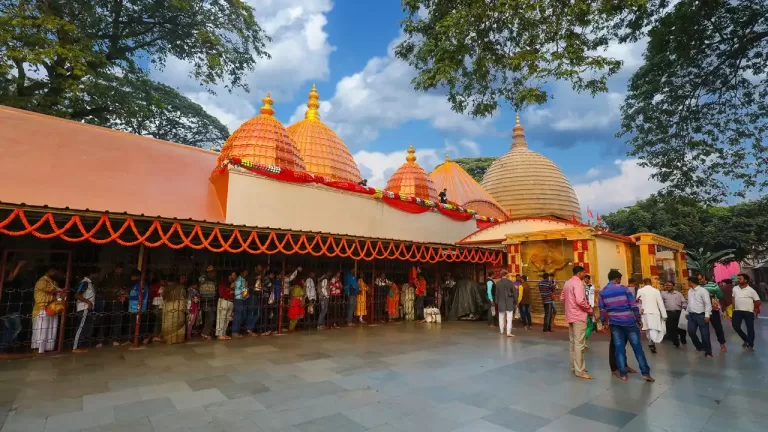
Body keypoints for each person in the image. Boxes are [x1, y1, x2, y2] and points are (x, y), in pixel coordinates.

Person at [599, 270, 653, 382]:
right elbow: (633, 305)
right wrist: (638, 318)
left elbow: (602, 310)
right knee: (637, 347)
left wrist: (604, 323)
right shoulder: (624, 289)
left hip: (614, 323)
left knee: (619, 348)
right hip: (628, 321)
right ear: (617, 279)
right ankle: (645, 373)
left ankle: (623, 374)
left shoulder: (602, 292)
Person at [561, 266, 593, 379]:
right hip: (579, 316)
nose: (585, 274)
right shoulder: (579, 283)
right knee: (579, 344)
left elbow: (562, 298)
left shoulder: (567, 283)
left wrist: (570, 306)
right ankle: (580, 370)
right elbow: (580, 300)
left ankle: (574, 366)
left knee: (573, 343)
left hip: (570, 316)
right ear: (580, 273)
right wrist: (589, 309)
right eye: (584, 272)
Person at [31, 268, 64, 354]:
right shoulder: (42, 281)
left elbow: (59, 294)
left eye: (55, 271)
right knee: (41, 329)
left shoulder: (54, 282)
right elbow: (52, 290)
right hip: (42, 308)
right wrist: (59, 292)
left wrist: (60, 295)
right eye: (53, 271)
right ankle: (38, 349)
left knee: (51, 328)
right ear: (46, 272)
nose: (55, 272)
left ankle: (48, 348)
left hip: (53, 308)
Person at [99, 263, 130, 346]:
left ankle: (114, 339)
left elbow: (127, 287)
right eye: (118, 269)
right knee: (105, 320)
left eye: (121, 269)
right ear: (115, 268)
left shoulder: (124, 277)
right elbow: (101, 287)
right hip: (108, 300)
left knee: (118, 320)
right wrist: (111, 291)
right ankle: (101, 341)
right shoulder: (108, 276)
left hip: (119, 301)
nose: (120, 271)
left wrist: (123, 291)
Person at [1, 260, 28, 352]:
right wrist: (19, 266)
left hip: (11, 307)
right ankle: (2, 346)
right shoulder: (5, 281)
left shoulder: (10, 282)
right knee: (15, 328)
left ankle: (4, 346)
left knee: (11, 328)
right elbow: (10, 278)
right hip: (6, 308)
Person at [697, 272, 727, 352]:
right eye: (697, 280)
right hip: (701, 310)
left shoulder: (713, 285)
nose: (699, 281)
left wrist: (712, 296)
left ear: (704, 277)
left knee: (717, 327)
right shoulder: (696, 286)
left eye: (700, 279)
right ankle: (705, 345)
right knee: (703, 329)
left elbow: (720, 296)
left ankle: (722, 343)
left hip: (713, 309)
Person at [636, 278, 667, 354]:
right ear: (651, 283)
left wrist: (638, 313)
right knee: (654, 327)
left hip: (644, 312)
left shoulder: (640, 290)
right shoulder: (656, 291)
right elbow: (660, 303)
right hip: (654, 312)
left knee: (648, 328)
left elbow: (638, 302)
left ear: (644, 283)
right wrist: (664, 314)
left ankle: (651, 342)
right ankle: (653, 341)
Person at [72, 267, 99, 353]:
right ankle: (75, 347)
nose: (97, 275)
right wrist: (88, 302)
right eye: (96, 273)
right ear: (91, 274)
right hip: (83, 308)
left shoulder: (90, 283)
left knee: (86, 328)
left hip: (88, 308)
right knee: (80, 327)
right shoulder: (85, 283)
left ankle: (82, 346)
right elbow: (77, 295)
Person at [731, 273, 761, 351]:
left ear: (746, 280)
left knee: (750, 328)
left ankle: (750, 345)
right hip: (737, 311)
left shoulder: (751, 290)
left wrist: (754, 307)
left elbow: (758, 301)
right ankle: (746, 339)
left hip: (748, 312)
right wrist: (733, 309)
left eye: (740, 279)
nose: (738, 280)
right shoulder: (735, 288)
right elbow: (733, 298)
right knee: (736, 326)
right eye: (738, 278)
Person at [686, 276, 713, 358]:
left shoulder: (703, 291)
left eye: (688, 282)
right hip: (691, 315)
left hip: (701, 315)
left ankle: (708, 352)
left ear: (691, 282)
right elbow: (689, 302)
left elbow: (707, 303)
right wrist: (687, 312)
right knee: (691, 332)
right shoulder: (689, 291)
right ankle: (699, 346)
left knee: (705, 335)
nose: (687, 283)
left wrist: (707, 315)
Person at [162, 274, 188, 344]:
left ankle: (171, 339)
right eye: (182, 278)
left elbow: (164, 297)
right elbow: (184, 296)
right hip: (176, 306)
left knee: (173, 323)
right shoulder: (180, 287)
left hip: (171, 307)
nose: (184, 280)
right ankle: (176, 339)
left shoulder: (167, 287)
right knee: (175, 323)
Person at [661, 281, 687, 348]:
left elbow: (684, 302)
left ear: (673, 286)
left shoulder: (678, 294)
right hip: (668, 313)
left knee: (681, 328)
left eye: (670, 285)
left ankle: (683, 339)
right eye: (667, 285)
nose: (668, 286)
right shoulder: (663, 294)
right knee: (670, 329)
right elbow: (661, 303)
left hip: (678, 313)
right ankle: (676, 342)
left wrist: (684, 307)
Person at [126, 270, 150, 345]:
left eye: (133, 276)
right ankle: (133, 339)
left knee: (137, 323)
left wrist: (128, 296)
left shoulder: (142, 285)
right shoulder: (136, 284)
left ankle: (145, 337)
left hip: (138, 307)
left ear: (137, 277)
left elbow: (140, 297)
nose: (132, 278)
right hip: (133, 307)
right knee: (134, 323)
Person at [495, 270, 517, 337]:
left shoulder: (498, 283)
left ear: (501, 275)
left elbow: (496, 294)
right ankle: (508, 332)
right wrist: (516, 301)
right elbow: (514, 292)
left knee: (501, 317)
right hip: (509, 302)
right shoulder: (510, 282)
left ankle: (501, 331)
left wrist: (496, 302)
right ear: (507, 275)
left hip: (501, 302)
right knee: (509, 318)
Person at [199, 267, 217, 340]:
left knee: (208, 318)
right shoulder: (203, 279)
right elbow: (200, 280)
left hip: (212, 301)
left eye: (213, 272)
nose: (213, 273)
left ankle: (204, 333)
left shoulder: (214, 280)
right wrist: (205, 272)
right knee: (211, 317)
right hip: (206, 301)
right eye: (211, 272)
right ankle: (205, 333)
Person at [216, 272, 235, 340]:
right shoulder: (223, 283)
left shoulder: (232, 283)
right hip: (223, 301)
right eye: (234, 275)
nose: (235, 276)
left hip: (230, 301)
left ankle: (223, 333)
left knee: (227, 319)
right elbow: (221, 293)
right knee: (221, 318)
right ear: (229, 276)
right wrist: (230, 288)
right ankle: (219, 334)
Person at [230, 269, 249, 338]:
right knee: (237, 316)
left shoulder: (244, 280)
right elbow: (237, 291)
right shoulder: (238, 280)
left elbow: (245, 289)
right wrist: (244, 288)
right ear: (241, 273)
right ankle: (234, 332)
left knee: (243, 315)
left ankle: (237, 330)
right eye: (245, 272)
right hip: (238, 300)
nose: (246, 273)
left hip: (243, 299)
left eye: (247, 272)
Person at [148, 274, 166, 343]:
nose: (164, 282)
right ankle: (155, 336)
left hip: (155, 304)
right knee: (158, 320)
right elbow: (162, 295)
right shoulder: (159, 287)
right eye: (163, 280)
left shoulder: (154, 286)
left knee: (156, 320)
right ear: (160, 280)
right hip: (158, 304)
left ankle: (155, 335)